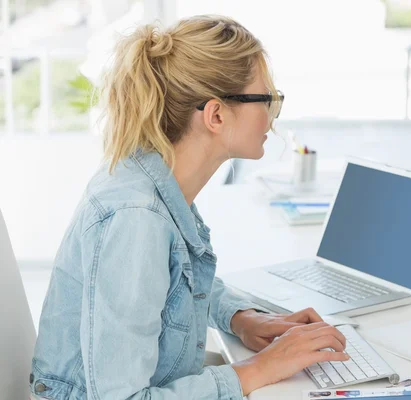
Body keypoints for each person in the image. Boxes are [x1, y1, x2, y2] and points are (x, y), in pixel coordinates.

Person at [30, 15, 349, 400]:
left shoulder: (154, 176)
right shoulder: (136, 218)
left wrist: (240, 317)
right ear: (216, 115)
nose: (273, 114)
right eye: (267, 99)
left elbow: (168, 279)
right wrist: (259, 368)